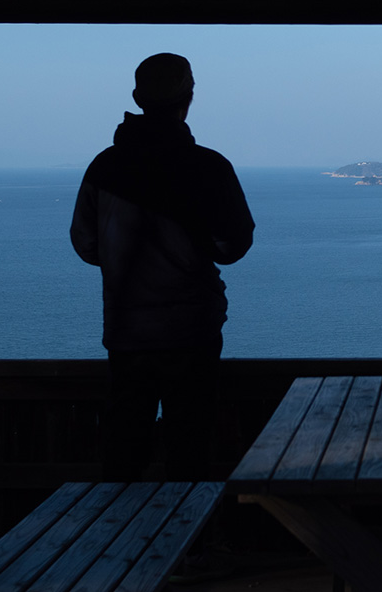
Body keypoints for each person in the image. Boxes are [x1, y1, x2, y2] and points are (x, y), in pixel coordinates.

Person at [71, 52, 254, 481]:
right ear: (188, 99)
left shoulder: (105, 167)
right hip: (192, 329)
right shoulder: (209, 167)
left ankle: (114, 543)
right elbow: (232, 246)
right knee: (190, 449)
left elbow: (85, 244)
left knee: (124, 446)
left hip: (127, 330)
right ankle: (192, 545)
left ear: (136, 97)